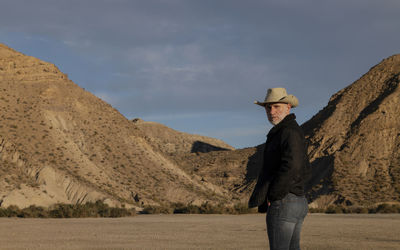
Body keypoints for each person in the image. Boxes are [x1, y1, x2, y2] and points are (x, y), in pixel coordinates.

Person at [248, 87, 310, 250]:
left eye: (276, 106)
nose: (271, 111)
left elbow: (292, 165)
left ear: (288, 107)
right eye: (268, 107)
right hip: (296, 200)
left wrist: (274, 195)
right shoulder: (290, 130)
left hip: (285, 202)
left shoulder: (288, 131)